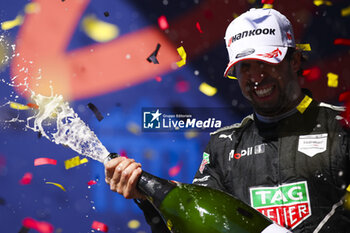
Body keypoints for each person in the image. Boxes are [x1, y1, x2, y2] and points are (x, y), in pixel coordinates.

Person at [104, 8, 350, 233]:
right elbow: (194, 226)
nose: (255, 77)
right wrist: (146, 199)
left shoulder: (342, 128)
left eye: (265, 63)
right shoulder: (224, 146)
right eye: (244, 67)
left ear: (294, 60)